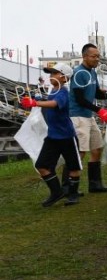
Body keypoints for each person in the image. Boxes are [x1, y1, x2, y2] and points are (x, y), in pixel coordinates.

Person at [20, 64, 82, 207]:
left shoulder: (63, 92)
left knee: (73, 167)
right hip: (53, 137)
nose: (51, 75)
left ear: (64, 77)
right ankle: (56, 192)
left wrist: (36, 102)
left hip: (67, 136)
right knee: (41, 165)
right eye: (51, 73)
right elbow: (49, 102)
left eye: (54, 73)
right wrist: (37, 100)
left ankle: (73, 194)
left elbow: (54, 104)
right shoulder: (53, 90)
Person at [67, 43, 107, 194]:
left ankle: (95, 184)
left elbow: (97, 93)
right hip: (78, 116)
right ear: (84, 56)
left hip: (87, 115)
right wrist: (99, 110)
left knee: (97, 147)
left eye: (98, 56)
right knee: (80, 151)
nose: (97, 59)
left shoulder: (92, 72)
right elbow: (79, 99)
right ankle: (68, 187)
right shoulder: (79, 73)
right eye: (94, 56)